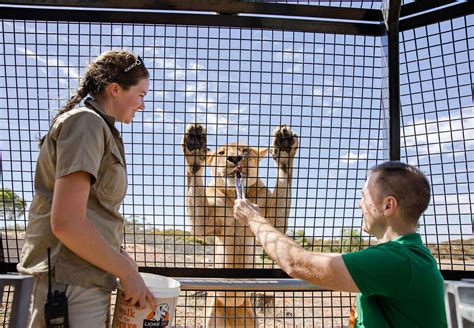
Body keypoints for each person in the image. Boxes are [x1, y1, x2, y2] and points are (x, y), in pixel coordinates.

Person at [17, 50, 156, 327]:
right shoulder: (87, 123)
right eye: (140, 95)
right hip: (70, 282)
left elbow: (90, 212)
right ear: (115, 89)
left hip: (81, 278)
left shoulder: (99, 128)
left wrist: (119, 258)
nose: (142, 104)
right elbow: (67, 223)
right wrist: (127, 273)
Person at [234, 161, 447, 327]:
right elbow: (316, 260)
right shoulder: (404, 256)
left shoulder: (397, 260)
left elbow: (296, 263)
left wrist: (252, 218)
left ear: (388, 205)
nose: (359, 204)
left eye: (364, 197)